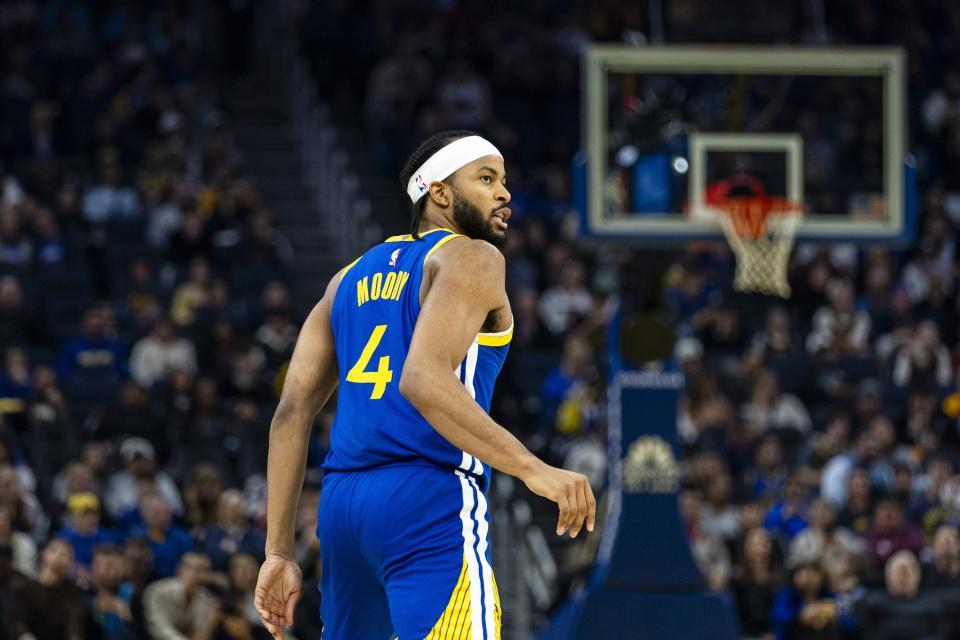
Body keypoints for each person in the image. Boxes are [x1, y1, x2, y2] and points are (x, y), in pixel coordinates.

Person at [254, 131, 596, 639]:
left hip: (343, 508)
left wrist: (278, 552)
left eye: (504, 180)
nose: (504, 193)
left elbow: (292, 409)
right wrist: (534, 469)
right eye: (486, 178)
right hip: (426, 497)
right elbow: (423, 378)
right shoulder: (473, 256)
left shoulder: (345, 279)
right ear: (439, 193)